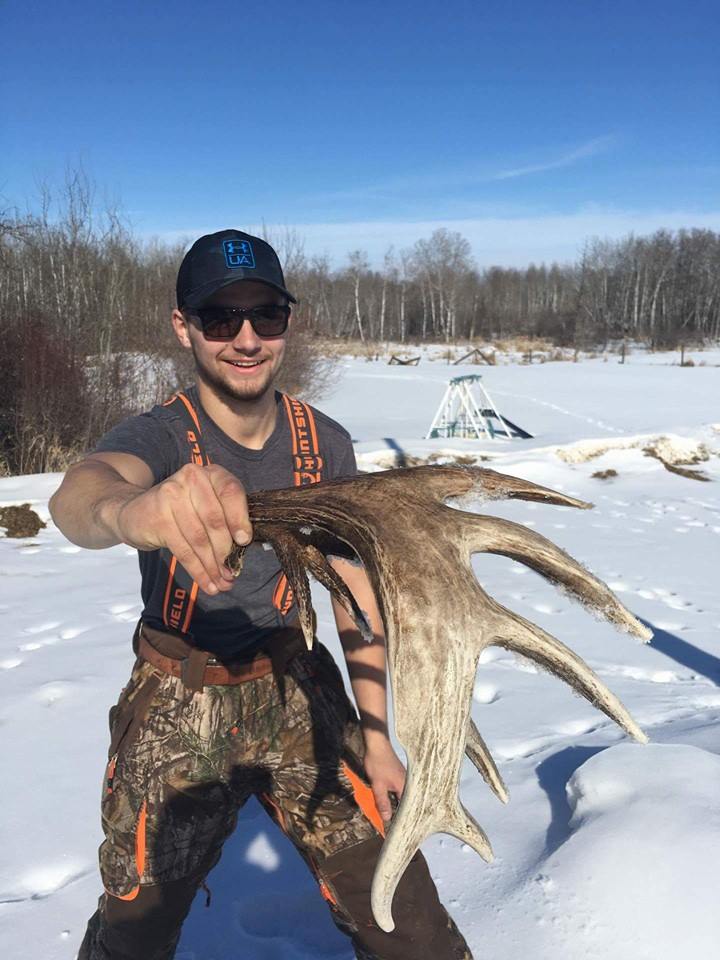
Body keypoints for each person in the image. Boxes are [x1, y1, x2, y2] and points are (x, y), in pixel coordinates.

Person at [50, 229, 473, 960]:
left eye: (265, 315)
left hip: (298, 686)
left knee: (408, 921)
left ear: (286, 323)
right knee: (134, 929)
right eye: (220, 318)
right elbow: (79, 496)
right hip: (181, 694)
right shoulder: (158, 438)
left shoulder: (324, 446)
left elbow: (351, 595)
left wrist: (379, 738)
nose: (245, 339)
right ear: (183, 327)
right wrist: (135, 512)